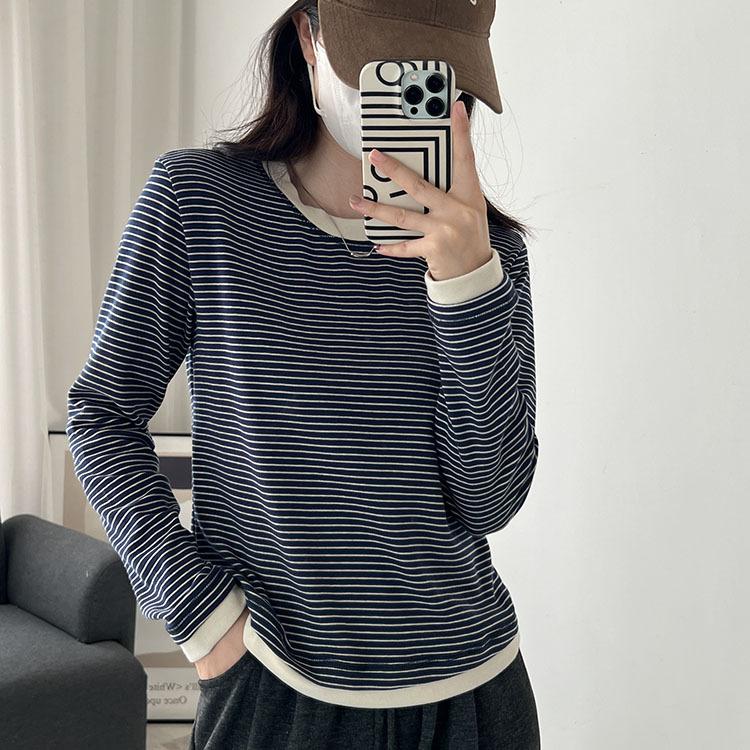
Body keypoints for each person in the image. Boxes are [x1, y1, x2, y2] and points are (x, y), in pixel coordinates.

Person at [65, 1, 541, 747]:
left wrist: (464, 283)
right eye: (381, 61)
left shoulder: (488, 255)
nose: (406, 83)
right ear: (307, 38)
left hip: (475, 695)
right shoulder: (197, 202)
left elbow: (490, 499)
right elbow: (102, 416)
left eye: (436, 70)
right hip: (274, 690)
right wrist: (201, 615)